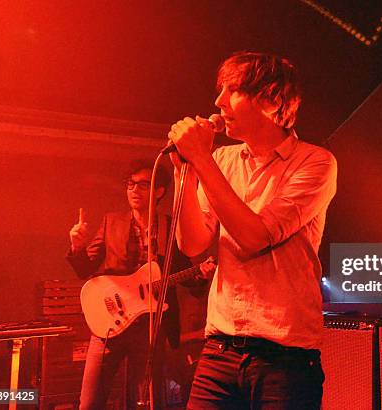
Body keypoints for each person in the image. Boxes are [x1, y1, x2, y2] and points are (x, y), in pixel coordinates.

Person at [167, 51, 337, 409]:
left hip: (284, 359)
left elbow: (255, 237)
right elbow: (193, 242)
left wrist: (201, 158)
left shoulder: (315, 162)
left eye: (232, 91)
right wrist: (186, 172)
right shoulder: (223, 161)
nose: (218, 102)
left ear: (272, 98)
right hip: (219, 350)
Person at [66, 160, 213, 409]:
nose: (134, 190)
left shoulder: (171, 227)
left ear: (159, 191)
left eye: (143, 185)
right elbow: (84, 269)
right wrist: (77, 247)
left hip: (151, 330)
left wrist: (202, 273)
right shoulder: (110, 222)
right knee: (89, 402)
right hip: (109, 323)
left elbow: (187, 280)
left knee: (146, 402)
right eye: (130, 184)